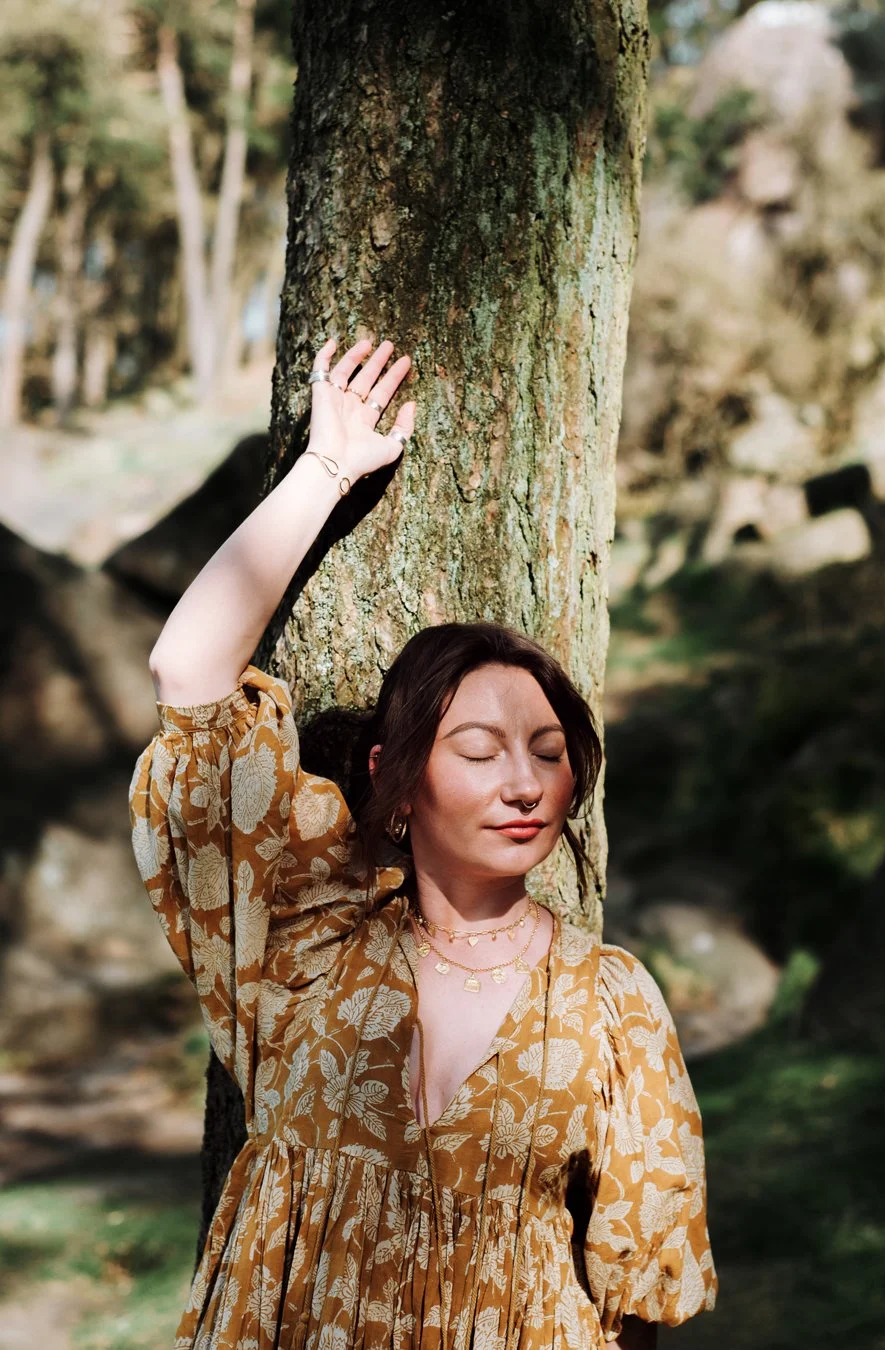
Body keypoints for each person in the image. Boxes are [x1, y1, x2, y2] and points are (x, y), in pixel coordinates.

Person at [128, 335, 718, 1350]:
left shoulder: (611, 1006)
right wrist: (327, 469)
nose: (525, 782)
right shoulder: (305, 941)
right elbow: (188, 672)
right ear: (392, 784)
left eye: (547, 751)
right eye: (480, 750)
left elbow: (639, 1300)